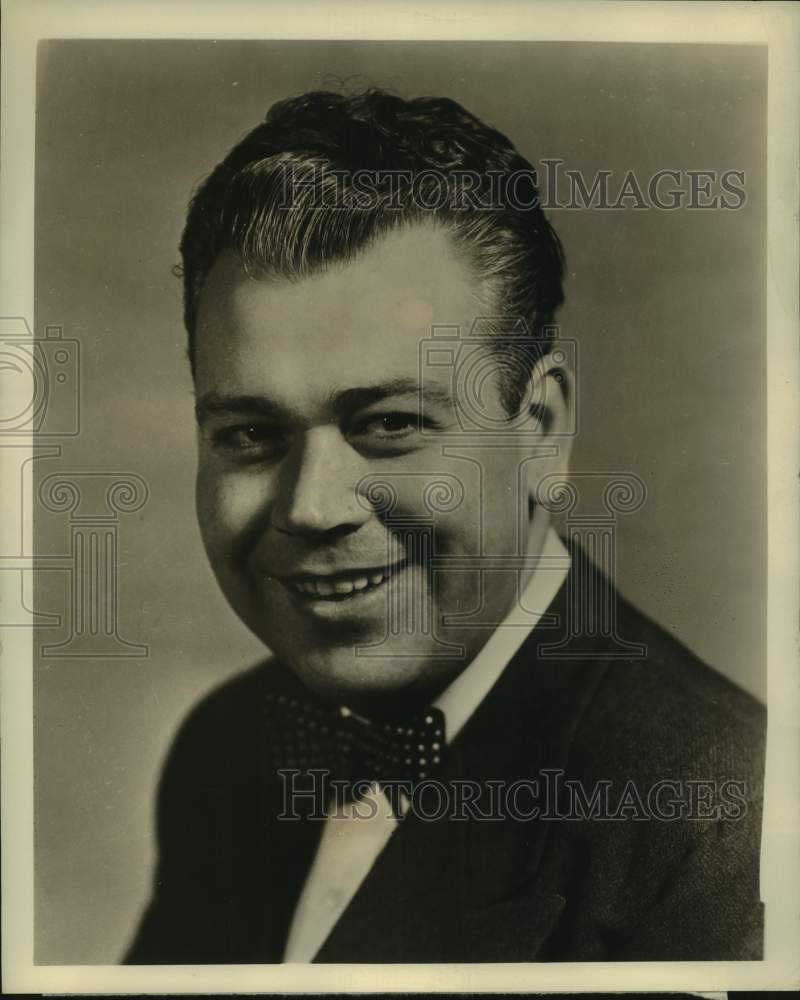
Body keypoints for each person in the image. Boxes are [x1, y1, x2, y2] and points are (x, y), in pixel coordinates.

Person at [125, 89, 765, 964]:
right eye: (249, 435)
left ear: (539, 432)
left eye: (389, 424)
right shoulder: (228, 745)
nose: (312, 506)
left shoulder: (723, 823)